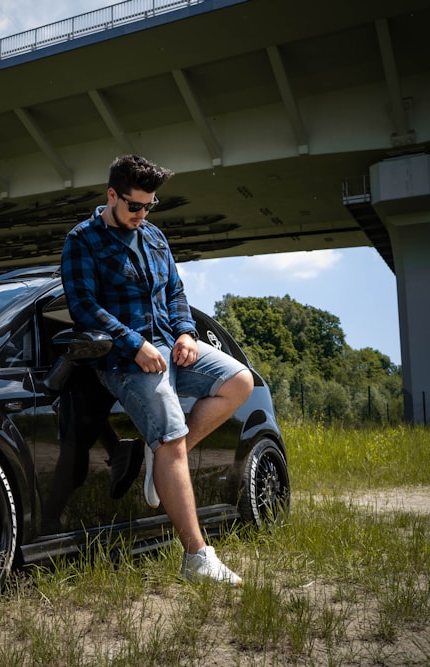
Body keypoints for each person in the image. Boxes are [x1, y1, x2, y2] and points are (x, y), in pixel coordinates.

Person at [60, 154, 254, 585]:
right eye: (135, 206)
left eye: (150, 206)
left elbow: (176, 292)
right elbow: (83, 308)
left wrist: (185, 332)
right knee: (172, 436)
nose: (142, 214)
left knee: (240, 381)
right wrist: (135, 344)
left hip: (173, 347)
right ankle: (197, 558)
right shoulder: (82, 241)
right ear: (112, 196)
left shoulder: (155, 237)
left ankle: (158, 456)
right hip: (122, 361)